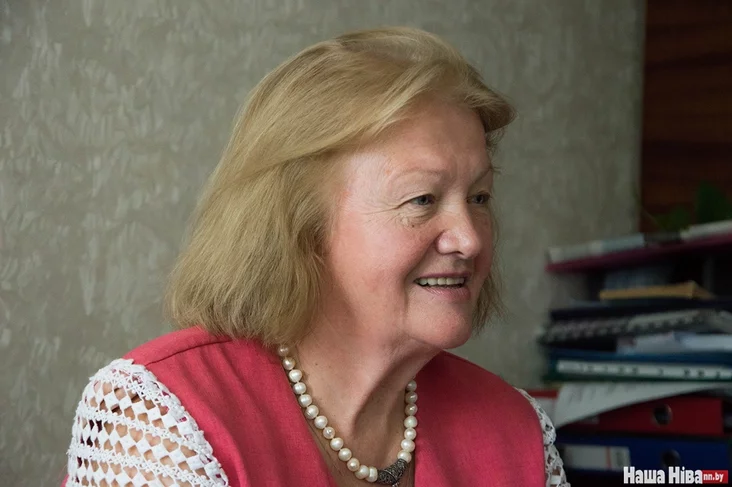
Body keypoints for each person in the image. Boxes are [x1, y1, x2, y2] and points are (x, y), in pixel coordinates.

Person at [62, 27, 568, 487]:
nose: (470, 239)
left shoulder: (514, 430)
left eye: (479, 197)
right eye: (422, 200)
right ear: (301, 226)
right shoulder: (163, 424)